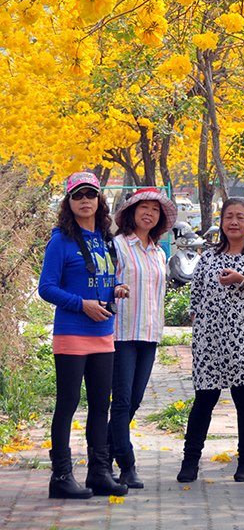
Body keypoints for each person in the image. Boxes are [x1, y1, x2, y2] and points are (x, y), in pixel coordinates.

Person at [38, 171, 129, 500]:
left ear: (99, 200)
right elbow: (46, 288)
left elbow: (102, 279)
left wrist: (115, 289)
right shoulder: (60, 241)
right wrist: (82, 305)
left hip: (103, 333)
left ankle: (99, 472)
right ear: (69, 202)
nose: (85, 200)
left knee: (99, 406)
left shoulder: (105, 238)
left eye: (91, 194)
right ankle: (61, 476)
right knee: (68, 403)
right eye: (78, 196)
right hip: (72, 333)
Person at [177, 196, 244, 485]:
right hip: (210, 342)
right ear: (221, 222)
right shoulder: (208, 256)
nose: (233, 222)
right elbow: (195, 294)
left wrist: (241, 280)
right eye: (228, 217)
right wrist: (197, 318)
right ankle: (190, 461)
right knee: (203, 401)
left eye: (239, 217)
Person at [108, 187, 177, 489]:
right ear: (131, 213)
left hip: (149, 335)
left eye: (155, 209)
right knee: (122, 403)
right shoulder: (118, 246)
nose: (148, 213)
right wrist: (114, 289)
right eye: (143, 208)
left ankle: (103, 456)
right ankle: (127, 465)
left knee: (134, 402)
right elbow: (105, 284)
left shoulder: (160, 253)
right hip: (121, 333)